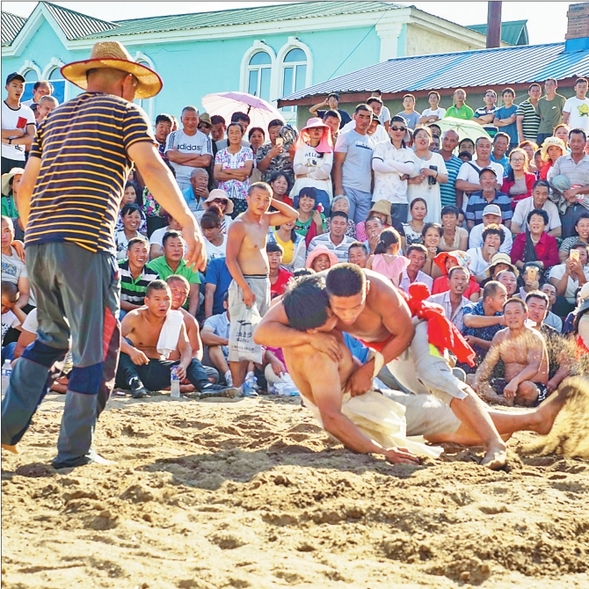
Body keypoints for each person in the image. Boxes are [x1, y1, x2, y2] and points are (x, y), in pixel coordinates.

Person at [1, 41, 206, 467]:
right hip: (85, 242)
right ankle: (75, 450)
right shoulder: (124, 112)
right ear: (128, 81)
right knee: (99, 344)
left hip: (39, 243)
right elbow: (151, 167)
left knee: (51, 338)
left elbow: (25, 187)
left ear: (89, 76)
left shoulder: (53, 118)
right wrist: (186, 222)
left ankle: (5, 428)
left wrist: (29, 233)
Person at [255, 266, 511, 469]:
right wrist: (311, 337)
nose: (347, 317)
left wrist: (369, 369)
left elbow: (405, 333)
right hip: (384, 353)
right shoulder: (315, 295)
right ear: (326, 296)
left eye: (355, 306)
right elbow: (262, 332)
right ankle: (531, 421)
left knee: (436, 379)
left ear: (365, 289)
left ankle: (495, 443)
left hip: (413, 332)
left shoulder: (380, 289)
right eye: (339, 309)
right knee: (440, 405)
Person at [225, 181, 297, 388]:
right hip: (245, 282)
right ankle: (237, 386)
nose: (262, 203)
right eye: (257, 198)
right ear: (247, 198)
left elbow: (292, 215)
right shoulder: (239, 224)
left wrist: (269, 198)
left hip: (262, 283)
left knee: (253, 337)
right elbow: (230, 260)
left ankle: (242, 385)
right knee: (240, 337)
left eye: (266, 200)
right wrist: (245, 288)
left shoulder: (265, 219)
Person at [115, 280, 235, 398]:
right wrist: (132, 351)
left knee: (193, 362)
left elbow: (186, 349)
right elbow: (114, 338)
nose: (163, 304)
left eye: (167, 299)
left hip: (155, 369)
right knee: (122, 349)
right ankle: (136, 384)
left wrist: (183, 365)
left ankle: (206, 386)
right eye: (157, 299)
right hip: (130, 369)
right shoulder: (135, 316)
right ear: (147, 301)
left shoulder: (176, 320)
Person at [473, 298, 548, 407]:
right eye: (508, 313)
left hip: (533, 386)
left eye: (517, 312)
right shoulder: (500, 336)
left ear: (526, 315)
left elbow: (534, 366)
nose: (512, 317)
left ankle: (502, 401)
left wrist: (515, 382)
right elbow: (488, 364)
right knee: (471, 378)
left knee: (526, 388)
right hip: (507, 385)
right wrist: (477, 380)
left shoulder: (534, 337)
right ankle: (500, 400)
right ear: (504, 316)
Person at [333, 104, 375, 224]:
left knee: (362, 228)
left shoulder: (373, 143)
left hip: (365, 193)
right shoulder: (345, 137)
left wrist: (372, 191)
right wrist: (339, 188)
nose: (364, 120)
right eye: (361, 116)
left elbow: (372, 170)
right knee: (346, 226)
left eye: (368, 117)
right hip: (348, 188)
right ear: (354, 117)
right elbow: (338, 164)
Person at [146, 230, 202, 317]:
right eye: (172, 246)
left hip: (184, 309)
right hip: (160, 309)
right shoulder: (152, 266)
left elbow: (194, 293)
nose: (176, 249)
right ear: (163, 249)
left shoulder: (190, 265)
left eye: (180, 246)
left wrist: (190, 317)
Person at [371, 115, 414, 225]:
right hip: (381, 198)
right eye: (395, 128)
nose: (398, 131)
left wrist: (389, 162)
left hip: (400, 200)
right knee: (378, 234)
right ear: (389, 129)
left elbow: (409, 169)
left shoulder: (408, 151)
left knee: (398, 237)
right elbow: (376, 165)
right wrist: (399, 170)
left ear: (405, 131)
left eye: (402, 128)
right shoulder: (381, 146)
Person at [548, 128, 589, 238]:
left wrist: (576, 191)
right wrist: (565, 193)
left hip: (585, 207)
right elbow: (552, 181)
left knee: (585, 242)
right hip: (565, 207)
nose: (576, 144)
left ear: (585, 143)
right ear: (568, 142)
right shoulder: (561, 161)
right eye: (573, 141)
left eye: (579, 141)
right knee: (566, 240)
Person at [165, 105, 213, 191]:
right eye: (187, 119)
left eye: (194, 119)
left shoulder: (205, 138)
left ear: (198, 120)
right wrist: (195, 155)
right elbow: (171, 156)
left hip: (197, 183)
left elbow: (206, 161)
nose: (190, 122)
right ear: (181, 119)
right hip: (176, 180)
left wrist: (179, 158)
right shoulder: (173, 135)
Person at [407, 126, 448, 224]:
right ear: (414, 140)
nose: (422, 139)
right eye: (419, 136)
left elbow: (445, 179)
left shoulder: (437, 157)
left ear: (430, 140)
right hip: (413, 196)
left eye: (425, 136)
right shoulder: (408, 156)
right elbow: (400, 179)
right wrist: (413, 180)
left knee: (432, 227)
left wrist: (433, 173)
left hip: (432, 198)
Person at [462, 281, 508, 367]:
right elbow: (468, 321)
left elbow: (500, 346)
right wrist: (499, 320)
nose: (505, 301)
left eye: (506, 297)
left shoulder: (503, 314)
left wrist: (476, 341)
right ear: (489, 300)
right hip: (466, 361)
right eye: (502, 297)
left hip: (491, 364)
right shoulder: (472, 308)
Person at [291, 117, 333, 210]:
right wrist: (316, 168)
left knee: (320, 221)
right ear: (308, 131)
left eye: (320, 128)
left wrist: (305, 173)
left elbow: (325, 172)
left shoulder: (328, 150)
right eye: (313, 128)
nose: (316, 131)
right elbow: (297, 169)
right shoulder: (301, 148)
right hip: (301, 189)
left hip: (322, 190)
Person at [455, 137, 504, 209]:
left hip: (491, 210)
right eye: (481, 146)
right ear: (475, 148)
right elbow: (459, 184)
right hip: (469, 209)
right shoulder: (466, 165)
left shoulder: (498, 167)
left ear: (491, 149)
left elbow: (497, 187)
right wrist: (486, 187)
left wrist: (470, 188)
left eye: (487, 146)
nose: (484, 149)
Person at [1, 72, 36, 175]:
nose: (18, 89)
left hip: (19, 158)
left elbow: (33, 138)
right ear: (6, 88)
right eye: (15, 85)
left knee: (18, 190)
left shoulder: (27, 111)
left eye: (21, 86)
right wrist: (16, 132)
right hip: (2, 156)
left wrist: (10, 141)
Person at [118, 236, 159, 318]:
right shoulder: (117, 269)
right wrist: (137, 309)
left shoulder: (153, 276)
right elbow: (110, 298)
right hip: (119, 309)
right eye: (137, 251)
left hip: (143, 313)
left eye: (144, 251)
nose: (141, 255)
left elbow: (154, 301)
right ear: (128, 253)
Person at [548, 241, 589, 317]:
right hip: (562, 303)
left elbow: (586, 294)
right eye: (576, 254)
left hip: (582, 302)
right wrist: (567, 273)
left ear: (587, 259)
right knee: (560, 300)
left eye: (582, 254)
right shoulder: (557, 269)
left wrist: (580, 273)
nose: (579, 257)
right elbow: (558, 293)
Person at [201, 293, 232, 386]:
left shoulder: (248, 322)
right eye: (233, 302)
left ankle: (249, 379)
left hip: (240, 365)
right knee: (214, 346)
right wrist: (227, 342)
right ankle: (229, 377)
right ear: (225, 304)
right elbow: (204, 334)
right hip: (217, 365)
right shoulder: (214, 320)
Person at [1, 215, 31, 311]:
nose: (3, 236)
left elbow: (24, 293)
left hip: (10, 302)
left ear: (13, 232)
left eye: (7, 231)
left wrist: (13, 308)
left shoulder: (21, 257)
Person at [429, 265, 472, 331]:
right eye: (456, 278)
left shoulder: (470, 308)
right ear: (448, 282)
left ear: (468, 284)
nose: (460, 282)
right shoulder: (433, 301)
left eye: (463, 279)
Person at [255, 119, 294, 187]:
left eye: (278, 132)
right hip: (268, 186)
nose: (276, 135)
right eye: (272, 133)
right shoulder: (263, 149)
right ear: (269, 134)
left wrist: (292, 155)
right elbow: (260, 167)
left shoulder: (291, 148)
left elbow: (297, 166)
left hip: (287, 186)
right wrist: (270, 155)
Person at [536, 79, 566, 146]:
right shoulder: (541, 101)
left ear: (556, 86)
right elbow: (540, 115)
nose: (549, 86)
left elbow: (564, 115)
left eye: (551, 84)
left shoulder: (561, 99)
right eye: (547, 84)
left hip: (554, 132)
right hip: (542, 131)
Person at [438, 130, 462, 209]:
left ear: (457, 144)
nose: (448, 143)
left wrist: (458, 209)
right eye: (446, 139)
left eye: (452, 141)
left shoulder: (459, 163)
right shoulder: (432, 157)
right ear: (441, 139)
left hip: (450, 207)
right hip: (432, 203)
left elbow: (459, 190)